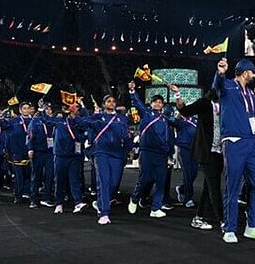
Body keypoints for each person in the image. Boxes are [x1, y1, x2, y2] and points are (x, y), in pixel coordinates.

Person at [213, 58, 255, 244]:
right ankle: (229, 228)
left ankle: (253, 226)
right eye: (252, 72)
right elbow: (216, 87)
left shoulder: (252, 94)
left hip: (254, 143)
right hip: (235, 142)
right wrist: (220, 72)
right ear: (244, 72)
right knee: (233, 187)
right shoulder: (228, 86)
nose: (254, 75)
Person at [175, 89, 224, 231]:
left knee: (208, 186)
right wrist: (178, 94)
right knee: (214, 186)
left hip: (220, 152)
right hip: (206, 152)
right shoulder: (204, 103)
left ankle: (198, 217)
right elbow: (184, 111)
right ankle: (222, 220)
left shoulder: (226, 105)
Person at [81, 94, 132, 225]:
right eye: (108, 101)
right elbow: (85, 122)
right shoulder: (97, 117)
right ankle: (104, 212)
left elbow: (126, 136)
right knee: (104, 181)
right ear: (104, 104)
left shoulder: (122, 119)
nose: (111, 103)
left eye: (113, 101)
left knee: (114, 183)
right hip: (101, 152)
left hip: (117, 154)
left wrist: (128, 150)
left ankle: (100, 202)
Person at [128, 83, 174, 218]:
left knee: (161, 181)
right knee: (145, 178)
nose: (158, 104)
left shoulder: (166, 119)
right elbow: (137, 103)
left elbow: (169, 138)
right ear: (151, 103)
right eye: (155, 102)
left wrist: (169, 155)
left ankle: (155, 208)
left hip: (161, 154)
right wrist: (132, 91)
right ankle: (135, 198)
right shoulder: (146, 113)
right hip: (147, 151)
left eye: (160, 102)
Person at [43, 102, 89, 214]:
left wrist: (81, 108)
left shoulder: (79, 122)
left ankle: (78, 203)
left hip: (74, 156)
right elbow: (45, 120)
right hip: (60, 156)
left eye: (76, 108)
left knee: (75, 180)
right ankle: (59, 203)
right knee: (59, 180)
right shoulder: (60, 121)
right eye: (73, 107)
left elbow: (87, 122)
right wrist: (41, 109)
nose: (75, 109)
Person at [28, 103, 57, 208]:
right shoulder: (36, 121)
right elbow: (30, 135)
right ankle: (33, 199)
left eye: (50, 109)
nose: (49, 111)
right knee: (36, 176)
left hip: (50, 152)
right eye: (47, 109)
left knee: (50, 175)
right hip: (38, 152)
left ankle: (47, 198)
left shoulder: (53, 121)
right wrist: (30, 148)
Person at [7, 102, 34, 204]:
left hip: (29, 151)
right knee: (18, 175)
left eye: (28, 108)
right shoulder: (14, 121)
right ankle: (18, 195)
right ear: (20, 110)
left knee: (28, 173)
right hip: (17, 151)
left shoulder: (33, 121)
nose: (26, 110)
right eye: (24, 108)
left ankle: (26, 192)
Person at [174, 102, 199, 209]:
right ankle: (188, 198)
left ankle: (182, 189)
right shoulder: (180, 120)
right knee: (188, 174)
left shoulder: (197, 121)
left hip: (195, 150)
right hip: (183, 150)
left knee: (194, 173)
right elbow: (173, 122)